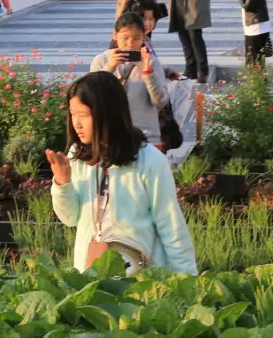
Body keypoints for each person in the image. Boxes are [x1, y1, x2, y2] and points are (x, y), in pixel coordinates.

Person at [47, 72, 197, 275]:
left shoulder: (150, 161)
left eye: (84, 115)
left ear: (107, 114)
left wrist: (187, 281)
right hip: (90, 276)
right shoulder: (79, 155)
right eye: (73, 114)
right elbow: (70, 218)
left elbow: (171, 227)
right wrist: (63, 183)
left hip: (142, 279)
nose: (77, 123)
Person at [90, 13, 170, 147]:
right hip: (109, 135)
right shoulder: (101, 60)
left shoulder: (151, 62)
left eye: (136, 38)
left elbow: (160, 102)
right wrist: (109, 68)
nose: (130, 44)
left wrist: (147, 72)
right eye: (124, 38)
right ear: (115, 35)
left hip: (145, 136)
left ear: (144, 36)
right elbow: (92, 97)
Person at [237, 0, 272, 69]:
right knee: (255, 62)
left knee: (253, 63)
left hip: (256, 27)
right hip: (255, 26)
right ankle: (258, 84)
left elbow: (248, 6)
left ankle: (259, 85)